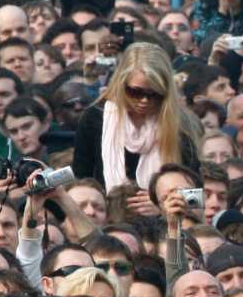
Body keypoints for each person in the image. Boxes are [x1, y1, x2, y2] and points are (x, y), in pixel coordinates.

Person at [71, 43, 201, 194]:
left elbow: (196, 196)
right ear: (121, 84)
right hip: (106, 212)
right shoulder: (94, 118)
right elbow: (80, 182)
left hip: (165, 215)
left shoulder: (181, 123)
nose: (144, 100)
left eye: (154, 94)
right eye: (136, 92)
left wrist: (161, 202)